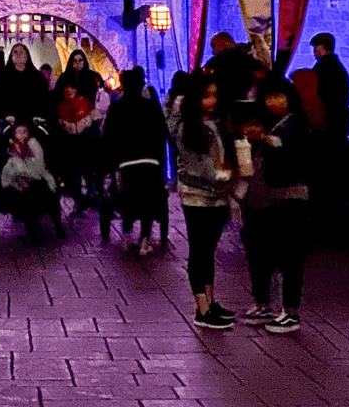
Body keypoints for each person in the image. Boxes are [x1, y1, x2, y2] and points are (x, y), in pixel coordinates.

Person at [167, 71, 239, 328]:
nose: (211, 101)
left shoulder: (218, 124)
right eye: (206, 95)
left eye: (215, 96)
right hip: (198, 196)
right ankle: (202, 309)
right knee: (199, 250)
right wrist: (225, 176)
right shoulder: (189, 127)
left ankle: (211, 301)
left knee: (208, 251)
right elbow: (200, 166)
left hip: (218, 196)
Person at [240, 78, 311, 334]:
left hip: (289, 197)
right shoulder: (265, 123)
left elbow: (299, 154)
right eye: (269, 98)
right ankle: (263, 303)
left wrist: (269, 141)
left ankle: (290, 311)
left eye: (279, 96)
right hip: (261, 197)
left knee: (289, 254)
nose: (274, 102)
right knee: (260, 252)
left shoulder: (298, 123)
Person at [103, 66, 169, 257]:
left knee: (127, 194)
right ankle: (145, 238)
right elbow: (162, 133)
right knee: (149, 196)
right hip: (150, 162)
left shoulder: (117, 107)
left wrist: (112, 161)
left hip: (126, 162)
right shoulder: (151, 107)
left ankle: (126, 234)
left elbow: (109, 136)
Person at [0, 122, 64, 241]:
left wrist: (29, 173)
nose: (22, 135)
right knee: (21, 195)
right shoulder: (11, 147)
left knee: (33, 192)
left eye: (24, 132)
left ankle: (35, 231)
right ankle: (31, 230)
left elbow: (39, 164)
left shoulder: (33, 144)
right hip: (17, 181)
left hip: (36, 178)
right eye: (18, 132)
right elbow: (8, 168)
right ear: (14, 134)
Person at [54, 51, 99, 210]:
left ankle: (91, 193)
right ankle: (77, 195)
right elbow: (57, 100)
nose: (78, 64)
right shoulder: (64, 80)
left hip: (87, 129)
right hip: (68, 130)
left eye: (80, 60)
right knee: (72, 166)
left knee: (88, 164)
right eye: (75, 61)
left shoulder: (91, 79)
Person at [0, 43, 52, 129]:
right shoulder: (2, 76)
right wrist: (5, 115)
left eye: (21, 52)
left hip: (32, 121)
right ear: (11, 56)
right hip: (9, 121)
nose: (18, 55)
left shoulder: (37, 77)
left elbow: (43, 100)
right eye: (15, 52)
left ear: (27, 56)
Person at [203, 32, 263, 114]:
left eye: (213, 45)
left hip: (222, 109)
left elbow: (203, 81)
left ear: (221, 42)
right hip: (251, 108)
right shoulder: (252, 60)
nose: (213, 51)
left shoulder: (215, 63)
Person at [310, 33, 349, 140]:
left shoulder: (323, 68)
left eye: (315, 47)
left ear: (321, 48)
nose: (314, 51)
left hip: (327, 123)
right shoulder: (337, 67)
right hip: (339, 123)